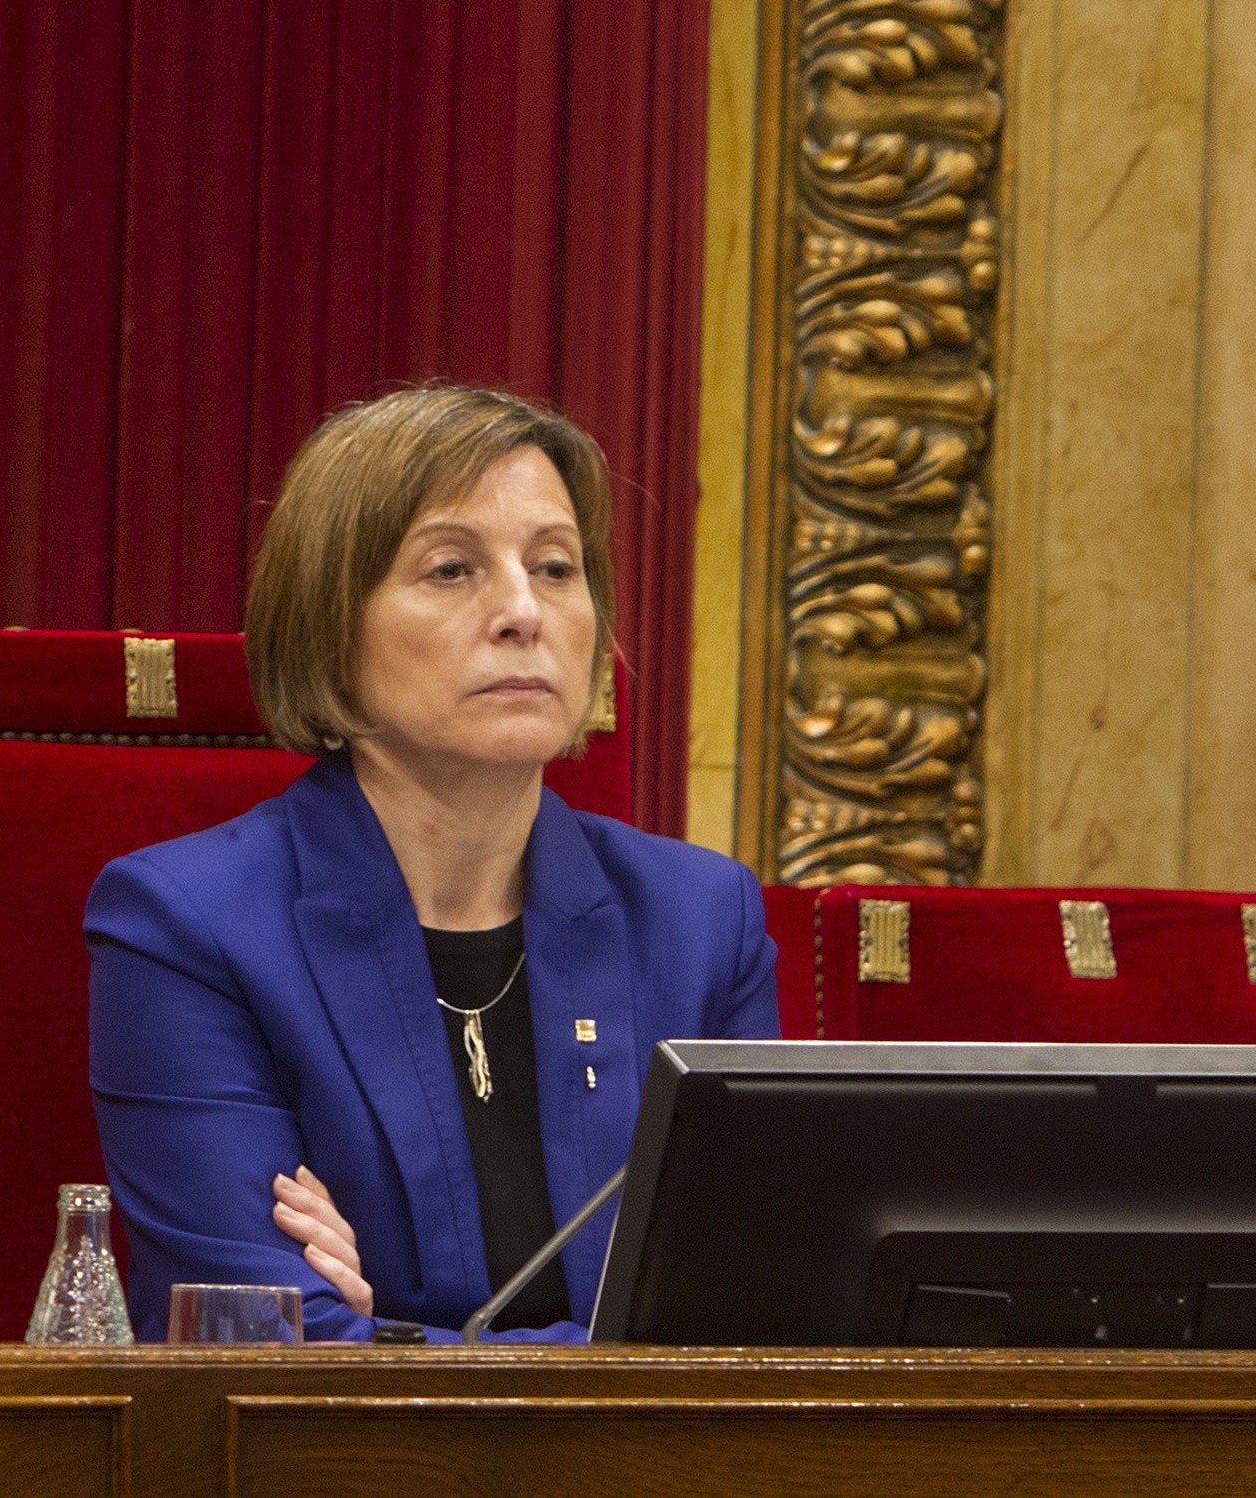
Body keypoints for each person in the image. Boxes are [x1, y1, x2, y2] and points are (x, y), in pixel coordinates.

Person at [85, 385, 780, 1342]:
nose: (523, 612)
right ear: (331, 623)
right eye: (452, 569)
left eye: (556, 566)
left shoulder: (702, 921)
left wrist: (400, 1341)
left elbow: (753, 1324)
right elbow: (255, 1339)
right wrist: (609, 1346)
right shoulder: (184, 925)